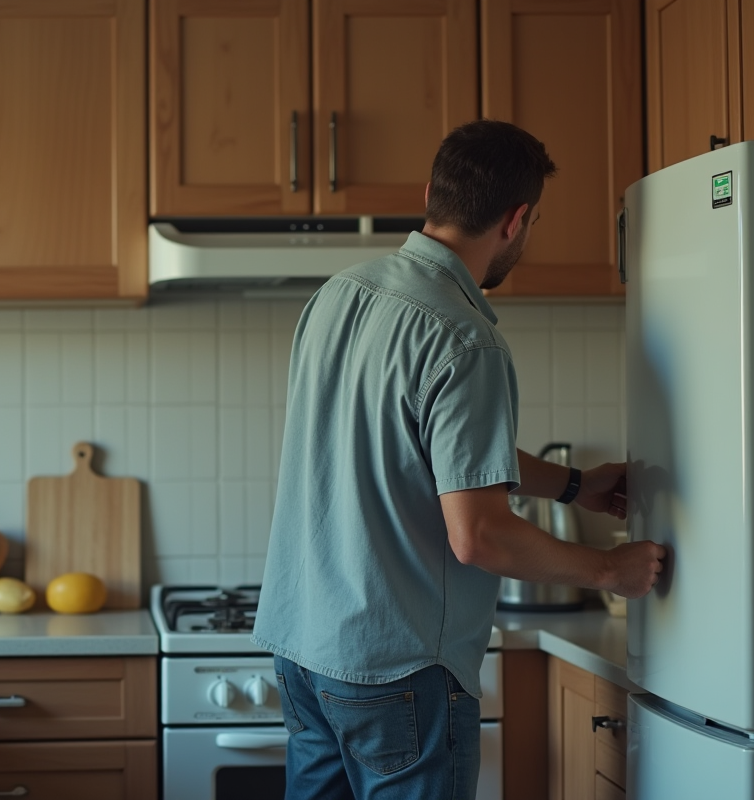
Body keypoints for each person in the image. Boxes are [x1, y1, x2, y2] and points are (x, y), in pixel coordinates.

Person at [250, 119, 666, 800]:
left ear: (432, 194)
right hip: (395, 666)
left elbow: (431, 451)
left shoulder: (339, 295)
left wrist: (574, 486)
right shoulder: (465, 339)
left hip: (304, 648)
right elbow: (479, 534)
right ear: (518, 219)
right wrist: (609, 569)